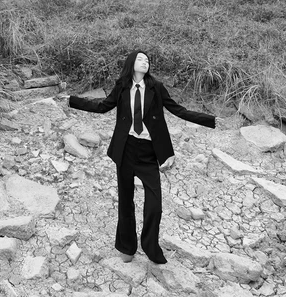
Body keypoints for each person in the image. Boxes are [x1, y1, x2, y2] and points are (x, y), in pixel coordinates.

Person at [68, 48, 217, 264]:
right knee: (125, 202)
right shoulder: (122, 86)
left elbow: (178, 110)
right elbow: (102, 107)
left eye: (147, 60)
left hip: (149, 152)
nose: (145, 62)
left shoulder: (156, 87)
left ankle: (149, 245)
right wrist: (71, 101)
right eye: (140, 59)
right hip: (126, 149)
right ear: (131, 63)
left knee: (155, 205)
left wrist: (211, 120)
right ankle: (127, 247)